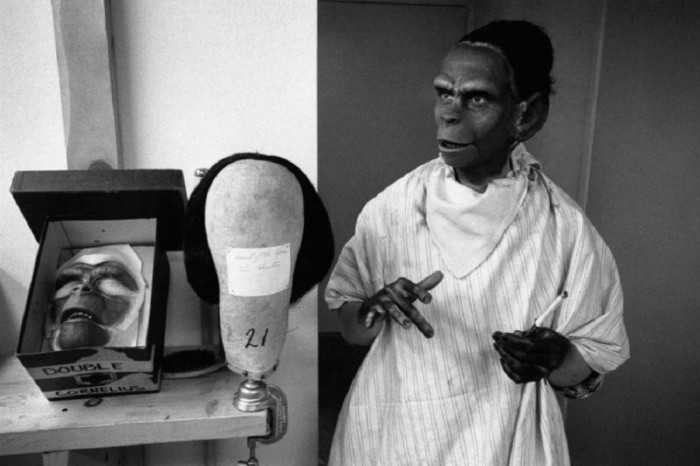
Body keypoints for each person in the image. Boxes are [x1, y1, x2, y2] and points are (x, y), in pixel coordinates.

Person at [324, 20, 629, 465]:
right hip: (392, 434)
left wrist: (557, 356)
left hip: (505, 444)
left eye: (477, 98)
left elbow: (585, 375)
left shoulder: (564, 229)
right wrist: (372, 308)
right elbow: (351, 328)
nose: (448, 113)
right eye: (444, 93)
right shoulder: (393, 209)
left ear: (527, 114)